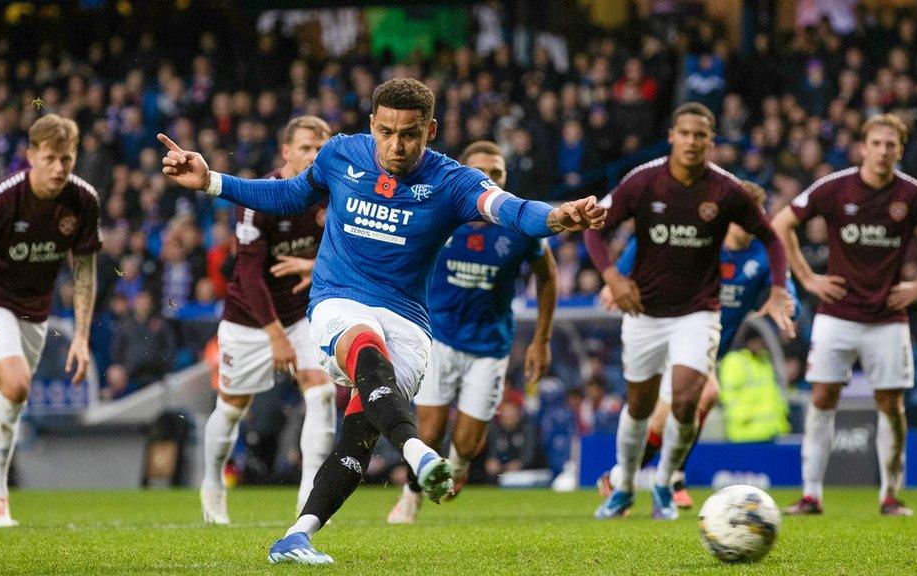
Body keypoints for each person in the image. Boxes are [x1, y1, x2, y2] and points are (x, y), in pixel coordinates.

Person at [160, 77, 604, 564]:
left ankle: (297, 533)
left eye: (410, 134)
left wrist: (559, 216)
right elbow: (288, 196)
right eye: (387, 131)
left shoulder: (453, 181)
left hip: (410, 322)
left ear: (430, 130)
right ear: (372, 124)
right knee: (364, 347)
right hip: (338, 301)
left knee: (357, 439)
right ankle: (417, 450)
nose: (396, 145)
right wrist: (210, 181)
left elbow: (511, 209)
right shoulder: (341, 155)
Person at [583, 103, 793, 521]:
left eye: (702, 135)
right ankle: (623, 485)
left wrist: (777, 289)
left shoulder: (726, 190)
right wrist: (611, 276)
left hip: (698, 312)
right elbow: (594, 227)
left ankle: (663, 481)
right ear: (672, 136)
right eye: (686, 134)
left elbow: (772, 238)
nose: (693, 142)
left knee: (685, 399)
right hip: (645, 312)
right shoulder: (643, 181)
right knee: (640, 406)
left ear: (711, 141)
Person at [772, 113, 917, 517]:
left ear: (900, 151)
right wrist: (807, 278)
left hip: (888, 317)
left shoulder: (913, 194)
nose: (883, 150)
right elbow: (781, 224)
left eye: (891, 144)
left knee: (891, 404)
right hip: (836, 313)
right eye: (877, 143)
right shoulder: (836, 187)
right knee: (822, 398)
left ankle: (890, 495)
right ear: (863, 147)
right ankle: (811, 495)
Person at [386, 140, 557, 524]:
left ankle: (458, 469)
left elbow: (548, 278)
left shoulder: (519, 225)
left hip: (490, 346)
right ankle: (411, 494)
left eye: (497, 173)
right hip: (437, 338)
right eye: (481, 172)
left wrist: (541, 341)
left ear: (505, 178)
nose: (489, 179)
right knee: (428, 431)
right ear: (464, 175)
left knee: (466, 443)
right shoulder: (439, 213)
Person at [0, 114, 100, 527]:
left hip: (34, 309)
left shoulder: (83, 200)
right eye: (49, 158)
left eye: (66, 159)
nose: (58, 168)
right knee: (15, 385)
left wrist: (81, 337)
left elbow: (84, 270)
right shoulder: (3, 198)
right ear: (31, 156)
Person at [200, 115, 337, 525]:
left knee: (322, 392)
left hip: (303, 315)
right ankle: (211, 481)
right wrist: (275, 336)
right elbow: (246, 274)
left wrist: (316, 265)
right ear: (286, 151)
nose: (314, 156)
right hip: (250, 320)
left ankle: (310, 499)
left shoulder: (334, 192)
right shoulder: (262, 195)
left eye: (320, 148)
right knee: (232, 408)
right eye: (306, 148)